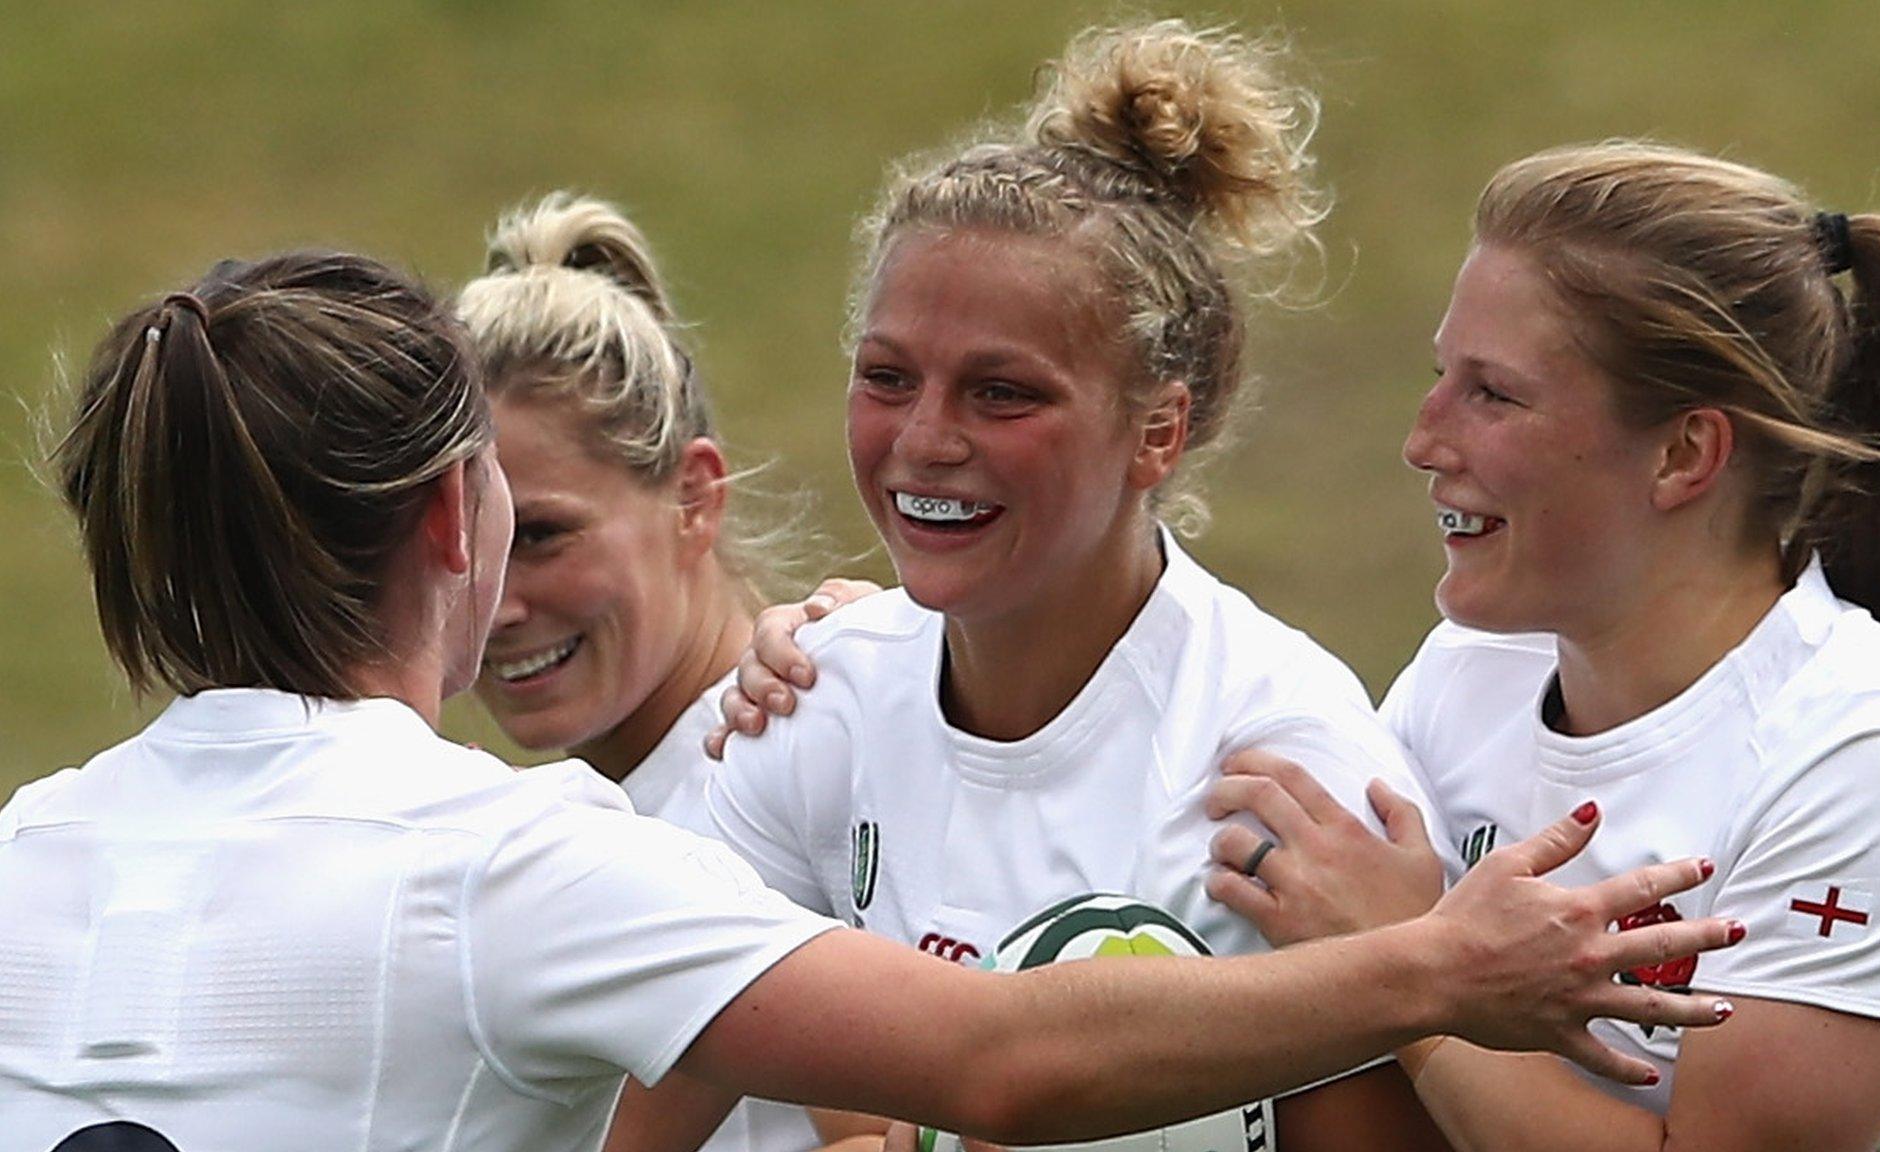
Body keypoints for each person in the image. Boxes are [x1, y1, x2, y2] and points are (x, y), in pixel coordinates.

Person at [0, 247, 1738, 1152]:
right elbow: (991, 1058)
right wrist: (1435, 962)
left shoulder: (31, 851)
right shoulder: (505, 858)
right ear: (455, 519)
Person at [688, 19, 1461, 1150]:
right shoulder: (813, 700)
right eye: (887, 378)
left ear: (1157, 431)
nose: (924, 440)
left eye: (1000, 393)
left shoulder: (1287, 771)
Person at [1197, 141, 1880, 1151]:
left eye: (1492, 395)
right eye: (1440, 378)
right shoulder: (1470, 674)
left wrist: (1402, 966)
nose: (1422, 441)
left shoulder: (1878, 762)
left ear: (1685, 453)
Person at [453, 195, 870, 1152]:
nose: (499, 607)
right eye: (466, 552)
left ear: (694, 497)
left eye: (543, 537)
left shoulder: (811, 738)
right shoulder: (544, 830)